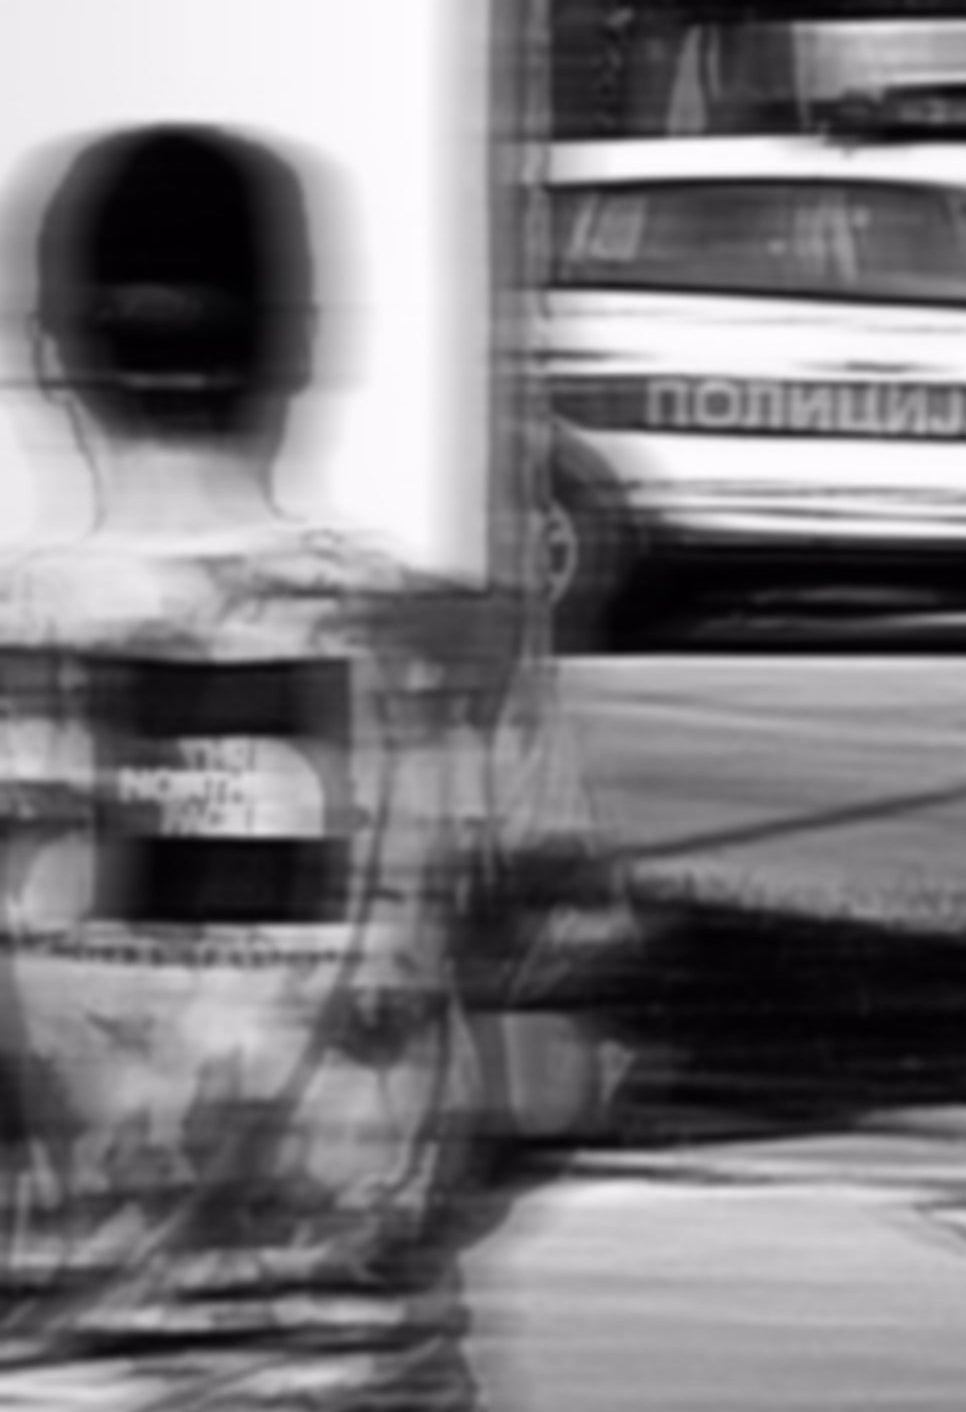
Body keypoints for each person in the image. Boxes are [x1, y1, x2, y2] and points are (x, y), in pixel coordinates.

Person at [0, 124, 638, 1410]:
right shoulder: (453, 665)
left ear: (56, 354)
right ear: (296, 348)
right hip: (361, 1376)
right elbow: (571, 1056)